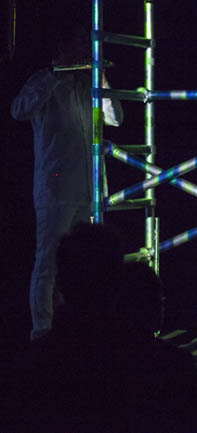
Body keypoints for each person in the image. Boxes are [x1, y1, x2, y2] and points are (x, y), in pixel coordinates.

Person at [10, 25, 123, 340]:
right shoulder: (43, 81)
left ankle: (79, 327)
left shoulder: (89, 84)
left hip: (89, 189)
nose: (84, 49)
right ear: (63, 47)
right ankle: (42, 331)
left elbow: (116, 118)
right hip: (56, 189)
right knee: (48, 261)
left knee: (85, 263)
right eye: (79, 43)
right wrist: (56, 75)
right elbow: (18, 110)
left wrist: (101, 79)